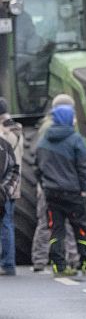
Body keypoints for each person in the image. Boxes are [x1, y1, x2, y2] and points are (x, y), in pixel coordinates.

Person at [36, 103, 86, 276]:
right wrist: (84, 189)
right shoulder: (75, 139)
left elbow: (37, 168)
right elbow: (84, 167)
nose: (74, 120)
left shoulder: (43, 140)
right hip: (73, 193)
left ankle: (59, 266)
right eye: (72, 116)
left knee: (56, 230)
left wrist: (45, 185)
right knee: (80, 228)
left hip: (51, 193)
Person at [31, 93, 79, 271]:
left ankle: (40, 259)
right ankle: (71, 258)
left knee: (47, 222)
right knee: (63, 222)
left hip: (48, 183)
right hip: (58, 183)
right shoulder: (60, 127)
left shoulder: (47, 126)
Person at [0, 98, 21, 276]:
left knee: (5, 223)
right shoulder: (17, 129)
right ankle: (8, 262)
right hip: (14, 184)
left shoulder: (5, 133)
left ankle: (7, 263)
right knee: (8, 223)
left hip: (5, 184)